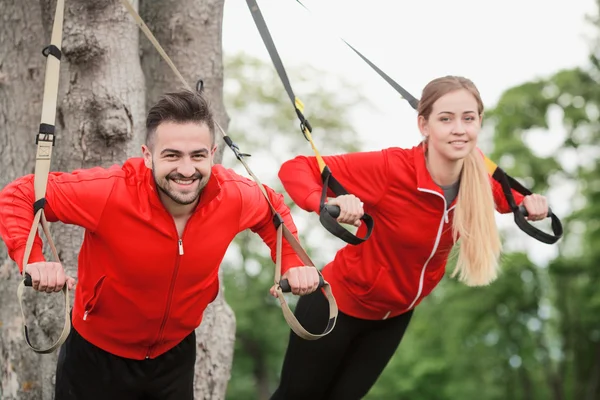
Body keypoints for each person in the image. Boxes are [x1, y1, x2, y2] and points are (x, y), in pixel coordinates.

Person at [0, 89, 321, 400]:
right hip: (96, 356)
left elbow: (272, 209)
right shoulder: (110, 193)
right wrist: (33, 258)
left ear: (212, 154)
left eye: (197, 156)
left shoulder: (234, 196)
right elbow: (21, 193)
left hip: (174, 357)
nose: (186, 169)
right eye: (172, 155)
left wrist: (293, 262)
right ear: (147, 156)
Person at [270, 76, 550, 400]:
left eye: (468, 118)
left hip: (393, 317)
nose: (459, 128)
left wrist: (530, 205)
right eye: (446, 118)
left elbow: (508, 197)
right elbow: (296, 168)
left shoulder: (477, 178)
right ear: (424, 124)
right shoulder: (391, 169)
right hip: (336, 305)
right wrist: (326, 202)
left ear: (479, 123)